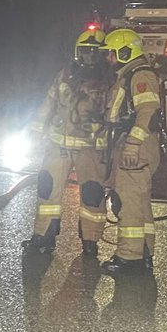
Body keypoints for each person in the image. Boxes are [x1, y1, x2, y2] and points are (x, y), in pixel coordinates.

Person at [22, 29, 112, 257]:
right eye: (84, 52)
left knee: (92, 194)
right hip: (58, 145)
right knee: (47, 189)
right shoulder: (65, 74)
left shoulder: (110, 80)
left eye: (93, 52)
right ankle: (43, 236)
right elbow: (48, 103)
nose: (88, 57)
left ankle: (91, 241)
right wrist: (35, 130)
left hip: (90, 147)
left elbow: (116, 113)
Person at [100, 28, 160, 275]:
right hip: (136, 145)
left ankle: (129, 257)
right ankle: (144, 252)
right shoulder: (130, 74)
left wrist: (133, 144)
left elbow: (148, 111)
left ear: (125, 52)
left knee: (128, 201)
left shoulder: (139, 74)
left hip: (138, 148)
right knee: (140, 203)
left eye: (112, 54)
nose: (109, 59)